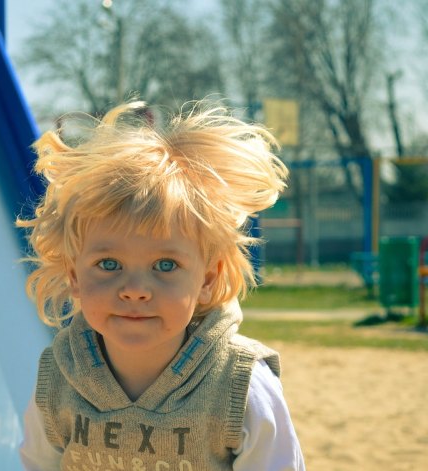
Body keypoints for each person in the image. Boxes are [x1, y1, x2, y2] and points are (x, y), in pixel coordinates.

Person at [17, 100, 305, 470]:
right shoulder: (59, 378)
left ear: (208, 278)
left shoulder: (239, 385)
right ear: (74, 276)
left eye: (165, 265)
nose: (135, 289)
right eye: (109, 264)